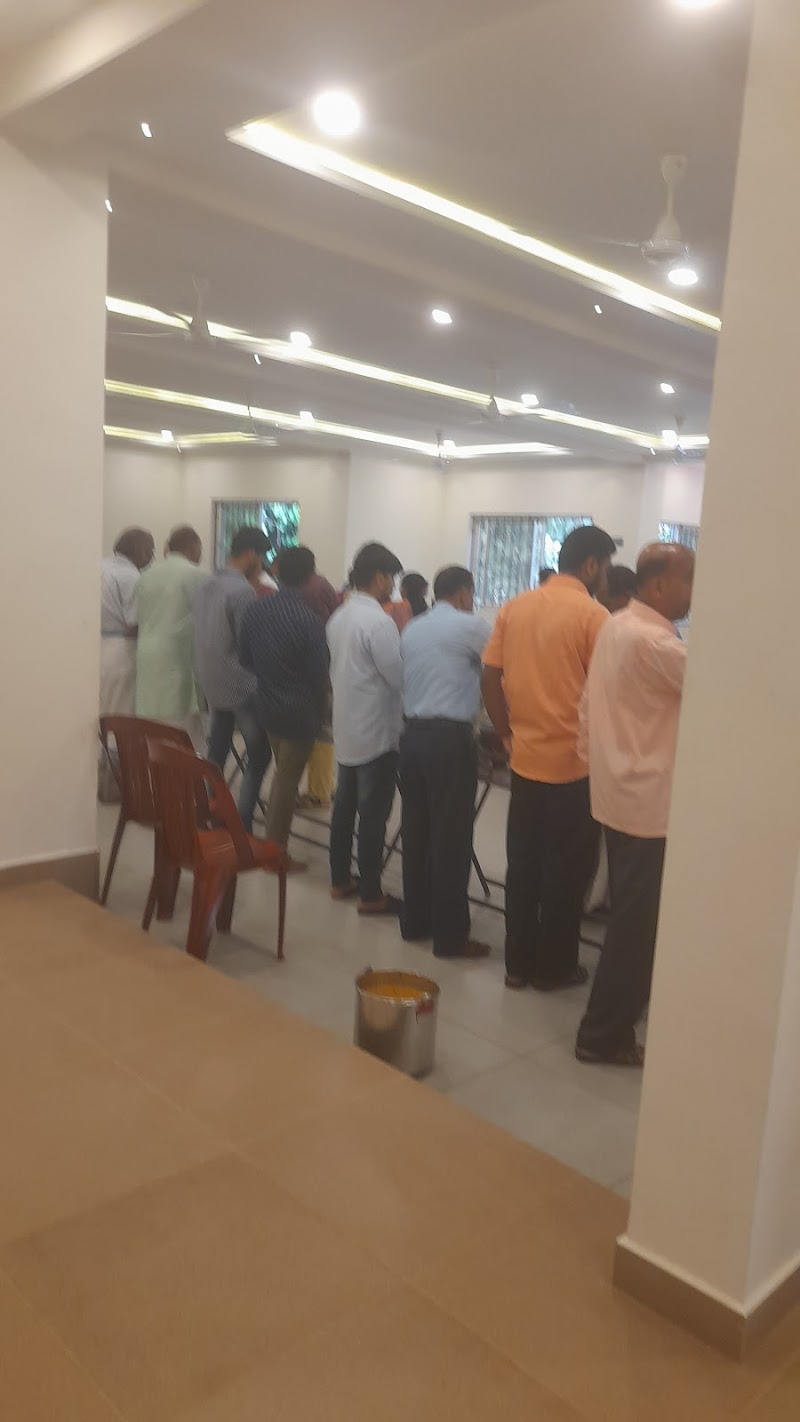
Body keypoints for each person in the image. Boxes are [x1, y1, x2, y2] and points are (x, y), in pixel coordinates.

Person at [482, 524, 616, 991]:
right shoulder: (593, 616)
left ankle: (517, 964)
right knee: (566, 871)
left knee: (523, 864)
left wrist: (505, 734)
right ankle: (554, 969)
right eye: (607, 568)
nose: (607, 578)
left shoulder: (515, 607)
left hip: (525, 761)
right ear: (591, 565)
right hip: (573, 767)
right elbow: (606, 693)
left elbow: (489, 676)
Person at [576, 543, 694, 1067]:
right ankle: (602, 1034)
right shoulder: (658, 644)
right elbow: (725, 690)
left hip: (617, 793)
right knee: (635, 928)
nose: (694, 592)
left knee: (630, 918)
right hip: (647, 804)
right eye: (690, 579)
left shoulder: (616, 625)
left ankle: (613, 1021)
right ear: (659, 585)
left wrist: (597, 766)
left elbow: (587, 707)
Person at [400, 566, 491, 958]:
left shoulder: (413, 627)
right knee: (451, 839)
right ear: (464, 593)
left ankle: (415, 922)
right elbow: (498, 671)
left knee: (416, 833)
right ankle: (450, 938)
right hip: (449, 741)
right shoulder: (471, 626)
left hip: (412, 738)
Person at [327, 541, 404, 915]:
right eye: (392, 579)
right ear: (380, 577)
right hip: (375, 732)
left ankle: (340, 879)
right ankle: (371, 893)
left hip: (347, 726)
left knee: (344, 809)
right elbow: (398, 677)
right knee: (373, 815)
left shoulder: (339, 616)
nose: (393, 586)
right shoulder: (378, 622)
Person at [239, 546, 328, 852]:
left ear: (277, 572)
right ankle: (274, 851)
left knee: (283, 773)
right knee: (287, 781)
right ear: (310, 577)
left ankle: (272, 843)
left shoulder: (256, 609)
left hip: (267, 706)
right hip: (299, 713)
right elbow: (319, 675)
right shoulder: (309, 620)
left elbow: (245, 658)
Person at [192, 526, 272, 832]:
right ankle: (242, 823)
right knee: (260, 754)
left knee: (218, 750)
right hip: (241, 685)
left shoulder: (204, 584)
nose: (262, 567)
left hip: (212, 681)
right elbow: (247, 643)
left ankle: (211, 811)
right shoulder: (242, 592)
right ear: (250, 555)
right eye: (261, 559)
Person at [136, 525, 206, 744]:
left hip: (146, 657)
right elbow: (206, 622)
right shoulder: (196, 575)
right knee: (183, 733)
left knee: (152, 729)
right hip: (178, 659)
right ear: (193, 547)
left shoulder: (146, 575)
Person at [295, 571, 343, 811]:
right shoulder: (321, 584)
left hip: (316, 668)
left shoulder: (306, 591)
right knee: (324, 730)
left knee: (322, 732)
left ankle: (319, 793)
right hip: (326, 665)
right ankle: (325, 786)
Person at [100, 527, 154, 716]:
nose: (152, 557)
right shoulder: (131, 577)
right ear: (141, 551)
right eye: (150, 551)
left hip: (96, 647)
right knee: (120, 713)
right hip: (122, 653)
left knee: (100, 711)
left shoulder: (101, 566)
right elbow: (134, 623)